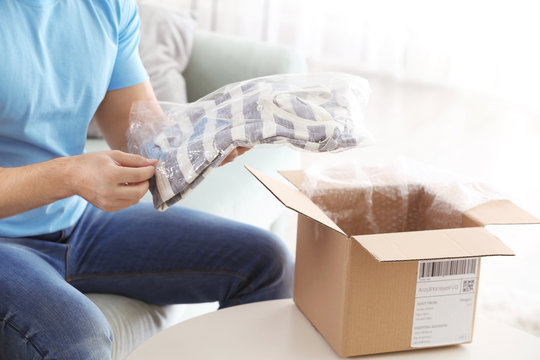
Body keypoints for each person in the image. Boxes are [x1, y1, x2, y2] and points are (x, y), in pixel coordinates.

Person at [0, 1, 294, 359]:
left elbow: (137, 133)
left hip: (76, 220)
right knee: (77, 338)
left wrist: (207, 141)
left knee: (266, 263)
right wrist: (69, 174)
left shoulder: (106, 7)